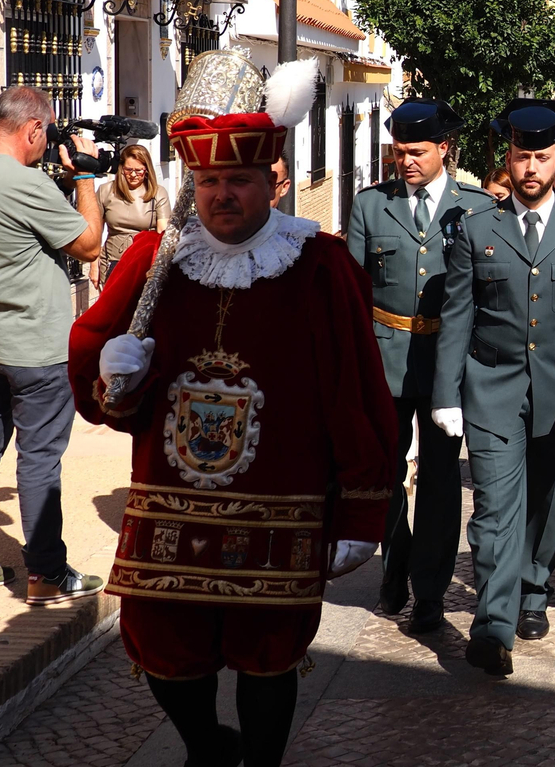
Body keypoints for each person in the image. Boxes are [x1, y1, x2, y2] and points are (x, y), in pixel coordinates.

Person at [69, 56, 395, 767]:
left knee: (267, 661)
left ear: (270, 183)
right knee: (164, 655)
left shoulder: (319, 266)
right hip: (168, 509)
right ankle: (207, 748)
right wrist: (113, 378)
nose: (222, 195)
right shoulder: (156, 259)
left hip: (281, 509)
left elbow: (357, 394)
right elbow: (96, 369)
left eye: (238, 181)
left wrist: (362, 511)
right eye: (209, 181)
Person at [433, 100, 555, 675]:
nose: (531, 167)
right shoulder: (476, 229)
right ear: (506, 160)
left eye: (541, 156)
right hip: (491, 389)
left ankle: (534, 587)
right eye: (521, 157)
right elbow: (457, 314)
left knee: (548, 500)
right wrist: (444, 392)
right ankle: (492, 625)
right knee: (494, 508)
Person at [0, 86, 105, 603]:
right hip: (35, 345)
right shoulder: (23, 184)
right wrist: (83, 175)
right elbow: (88, 243)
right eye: (46, 132)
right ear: (33, 129)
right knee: (40, 459)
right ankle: (45, 574)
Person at [347, 99, 490, 633]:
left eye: (416, 152)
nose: (405, 161)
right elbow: (356, 288)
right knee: (385, 471)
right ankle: (396, 562)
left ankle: (429, 592)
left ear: (444, 150)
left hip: (446, 363)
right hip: (385, 355)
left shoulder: (473, 206)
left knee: (439, 478)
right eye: (399, 151)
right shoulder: (370, 207)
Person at [95, 144, 171, 288]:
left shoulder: (158, 193)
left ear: (147, 170)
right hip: (112, 261)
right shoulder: (105, 191)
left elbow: (163, 232)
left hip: (144, 263)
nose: (134, 175)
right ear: (121, 168)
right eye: (129, 170)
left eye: (139, 170)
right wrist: (94, 265)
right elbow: (95, 231)